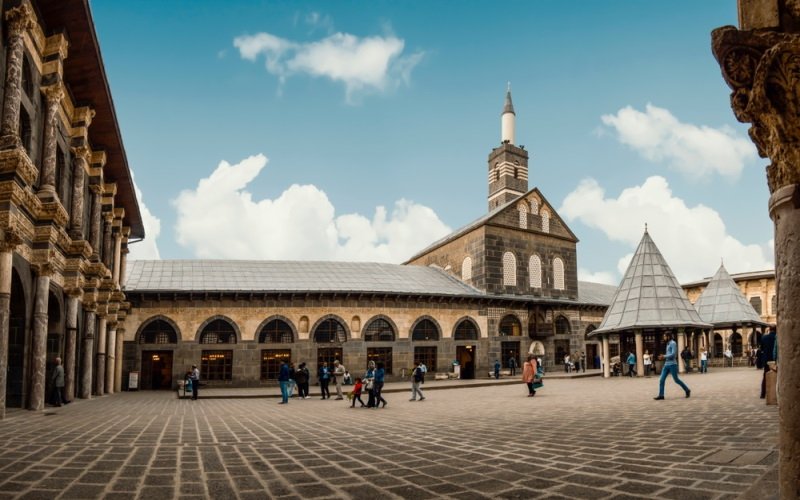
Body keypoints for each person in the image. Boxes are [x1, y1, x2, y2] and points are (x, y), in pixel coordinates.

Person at [654, 331, 691, 400]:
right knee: (661, 380)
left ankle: (687, 390)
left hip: (672, 364)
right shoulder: (667, 344)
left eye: (665, 336)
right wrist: (663, 357)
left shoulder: (673, 343)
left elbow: (674, 354)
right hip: (666, 365)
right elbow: (668, 354)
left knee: (676, 380)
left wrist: (664, 356)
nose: (664, 337)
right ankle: (661, 395)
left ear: (668, 336)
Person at [759, 326, 777, 399]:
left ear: (769, 330)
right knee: (777, 376)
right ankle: (775, 393)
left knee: (765, 376)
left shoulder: (764, 337)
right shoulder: (777, 337)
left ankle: (763, 394)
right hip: (775, 359)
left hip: (766, 360)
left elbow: (762, 349)